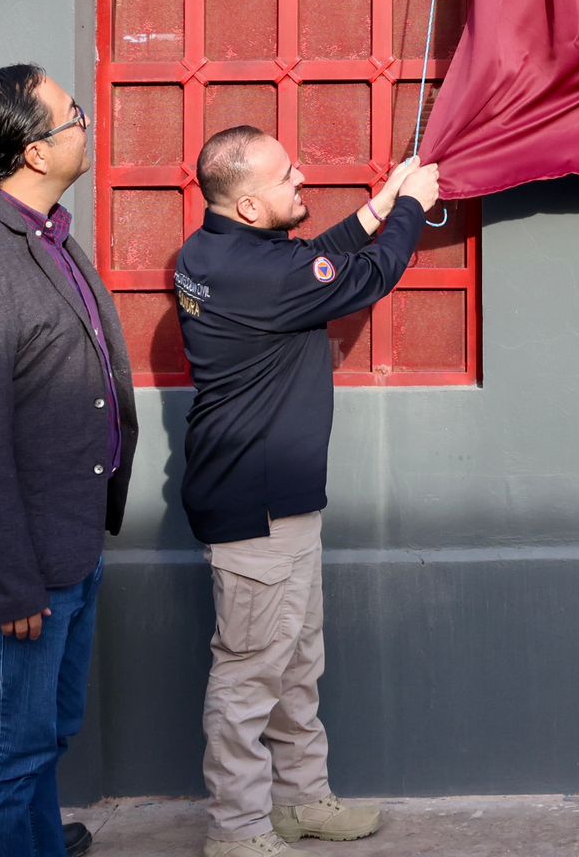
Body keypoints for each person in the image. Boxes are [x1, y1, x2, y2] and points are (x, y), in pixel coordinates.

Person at [175, 126, 439, 857]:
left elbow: (315, 262)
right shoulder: (262, 275)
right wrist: (412, 208)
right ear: (248, 205)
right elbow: (368, 277)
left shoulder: (212, 252)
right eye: (288, 175)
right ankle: (237, 830)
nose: (304, 179)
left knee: (294, 663)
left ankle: (301, 801)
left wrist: (379, 205)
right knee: (249, 677)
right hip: (255, 507)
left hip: (275, 500)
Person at [0, 65, 139, 857]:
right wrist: (9, 583)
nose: (87, 121)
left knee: (41, 742)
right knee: (6, 760)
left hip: (66, 546)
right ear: (35, 152)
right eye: (73, 113)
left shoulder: (42, 235)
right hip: (21, 570)